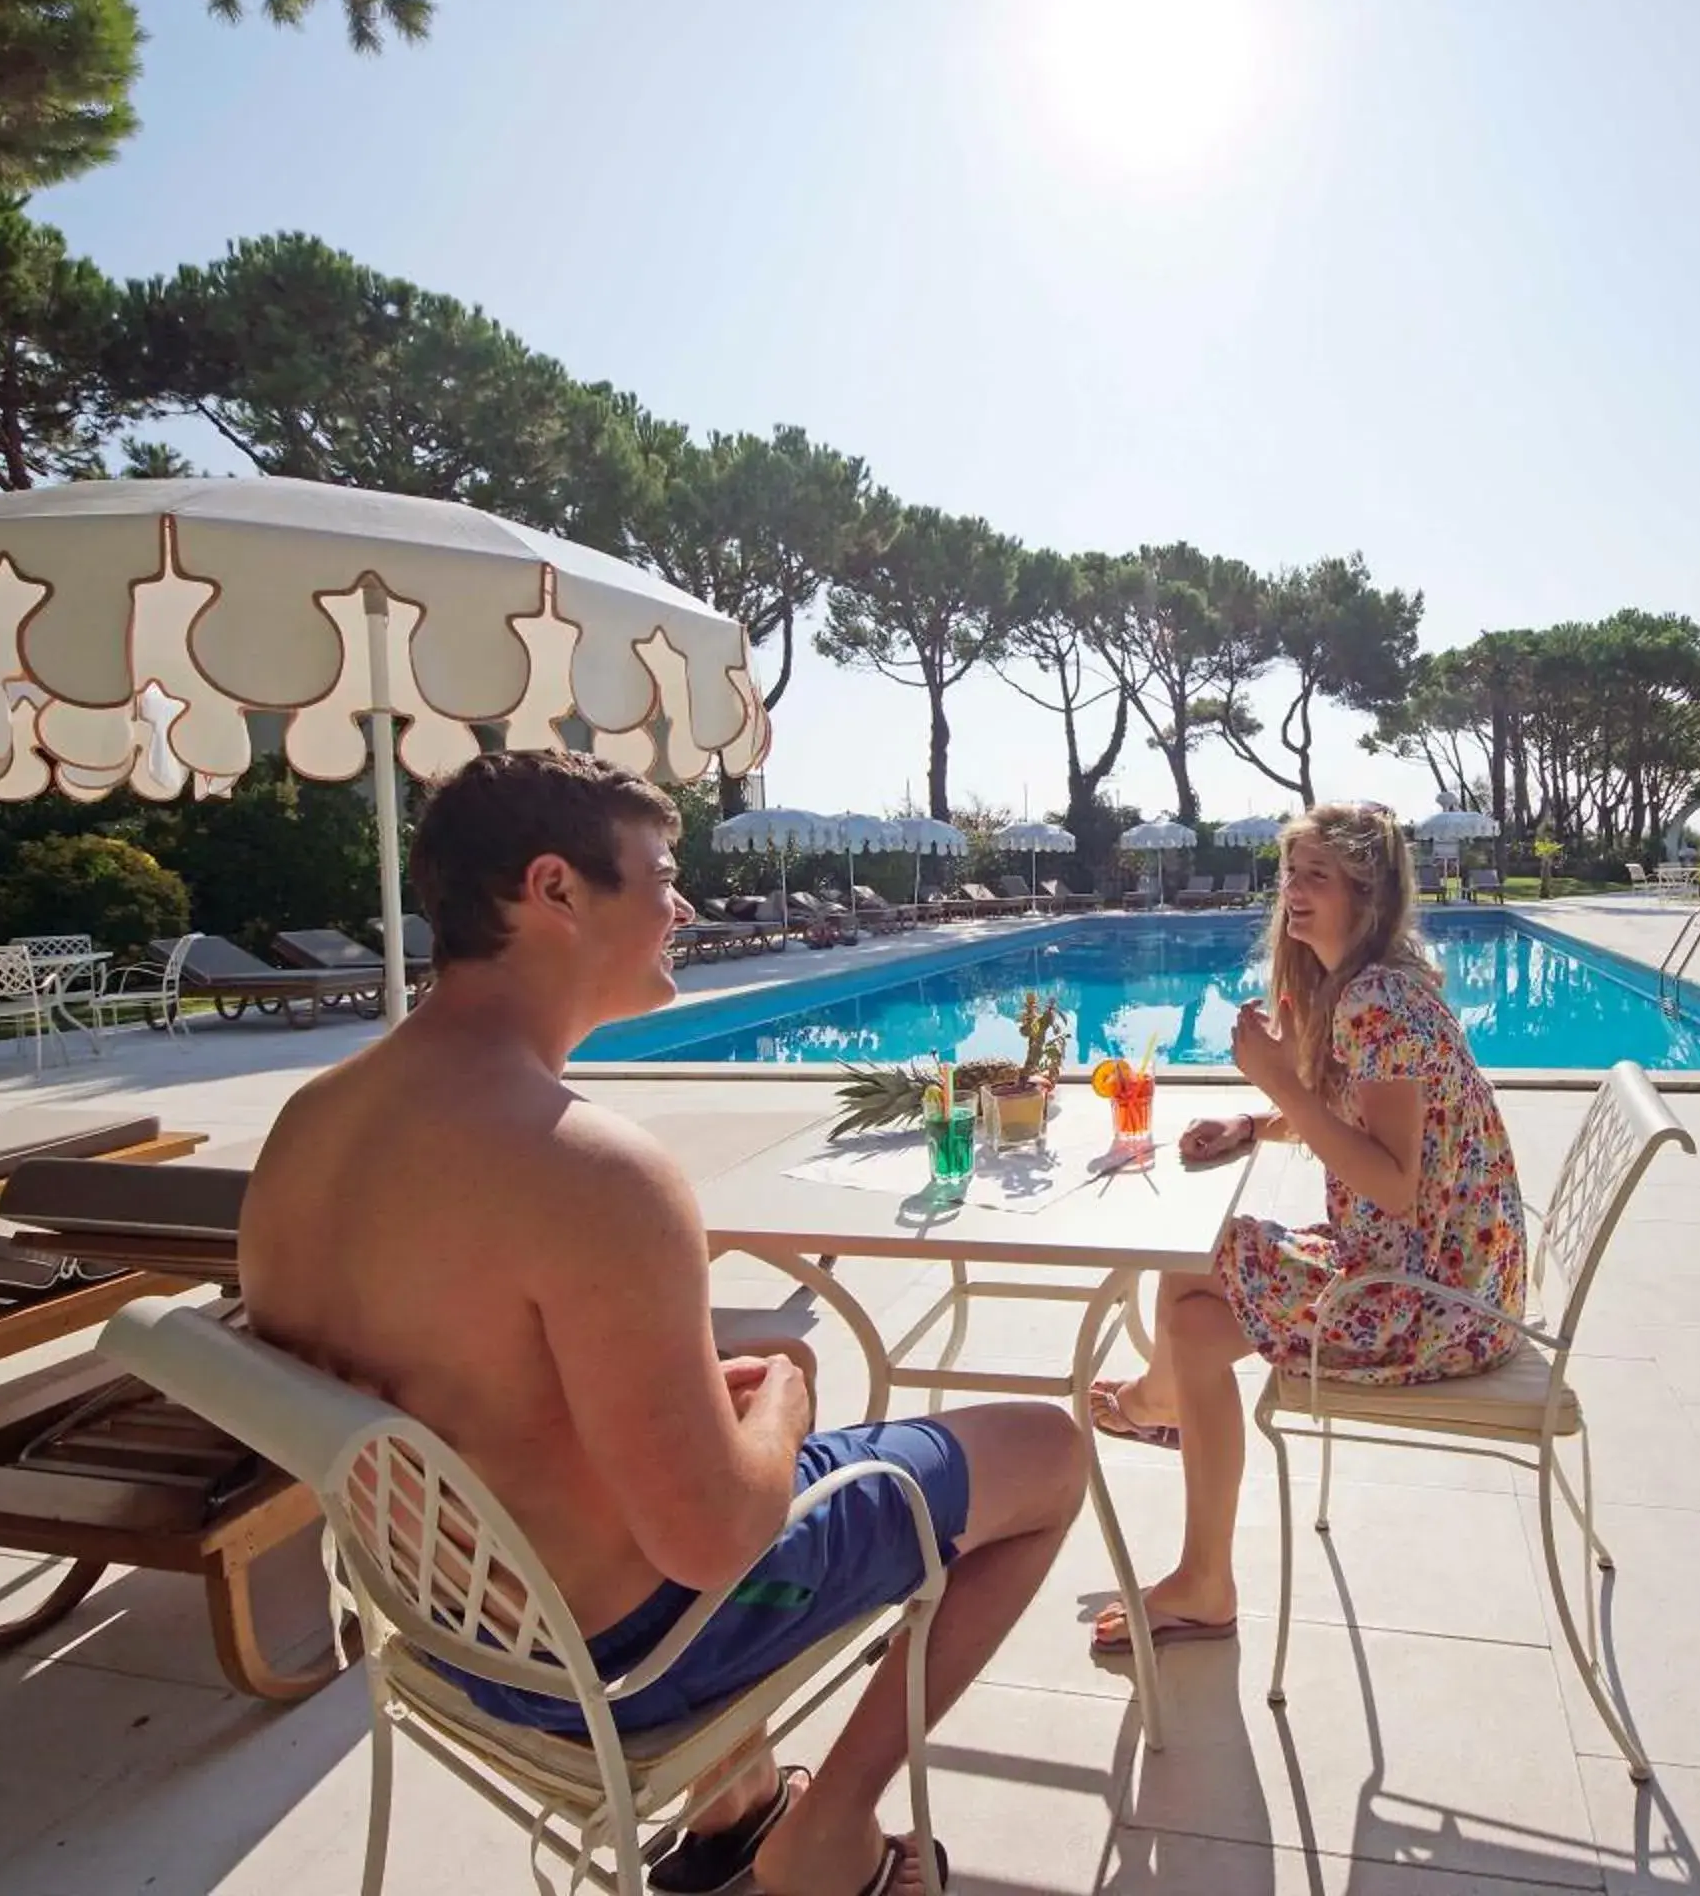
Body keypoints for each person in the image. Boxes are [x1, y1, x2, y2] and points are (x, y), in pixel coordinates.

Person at [243, 751, 1085, 1896]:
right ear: (555, 889)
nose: (681, 904)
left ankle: (734, 1808)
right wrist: (785, 1392)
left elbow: (475, 1401)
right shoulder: (589, 1170)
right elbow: (715, 1539)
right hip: (623, 1661)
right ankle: (824, 1836)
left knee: (706, 1424)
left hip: (459, 1635)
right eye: (662, 871)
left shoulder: (306, 1129)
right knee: (1048, 1452)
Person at [1084, 802, 1525, 1651]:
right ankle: (1199, 1561)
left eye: (1317, 874)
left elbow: (1393, 1184)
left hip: (1429, 1300)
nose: (1294, 890)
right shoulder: (1366, 989)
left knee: (1197, 1256)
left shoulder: (1378, 1003)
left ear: (1369, 891)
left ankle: (1155, 1405)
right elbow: (1357, 1116)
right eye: (1290, 873)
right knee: (1198, 1316)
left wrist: (1277, 1085)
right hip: (1433, 1274)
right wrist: (1257, 1123)